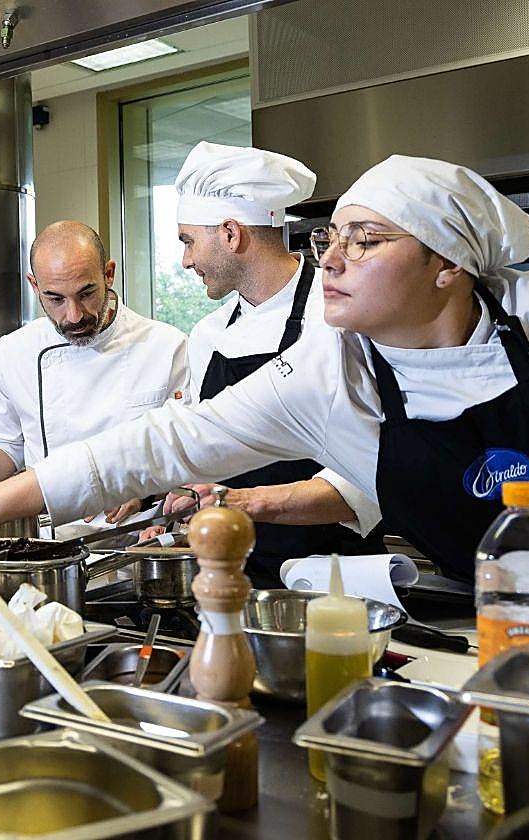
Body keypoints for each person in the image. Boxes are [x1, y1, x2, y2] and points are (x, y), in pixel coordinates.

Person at [0, 155, 529, 659]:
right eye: (333, 239)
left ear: (447, 266)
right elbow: (160, 444)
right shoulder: (328, 374)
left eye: (368, 240)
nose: (332, 259)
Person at [155, 142, 384, 585]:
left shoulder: (340, 319)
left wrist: (246, 501)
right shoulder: (209, 333)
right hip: (234, 574)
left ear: (230, 233)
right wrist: (164, 491)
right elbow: (205, 445)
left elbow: (374, 475)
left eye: (188, 241)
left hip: (336, 578)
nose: (186, 260)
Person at [0, 221, 188, 531]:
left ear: (109, 274)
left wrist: (144, 492)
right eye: (55, 299)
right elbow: (5, 447)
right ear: (34, 286)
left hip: (141, 536)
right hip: (52, 538)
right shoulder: (15, 351)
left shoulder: (166, 346)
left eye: (86, 293)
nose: (74, 315)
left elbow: (186, 452)